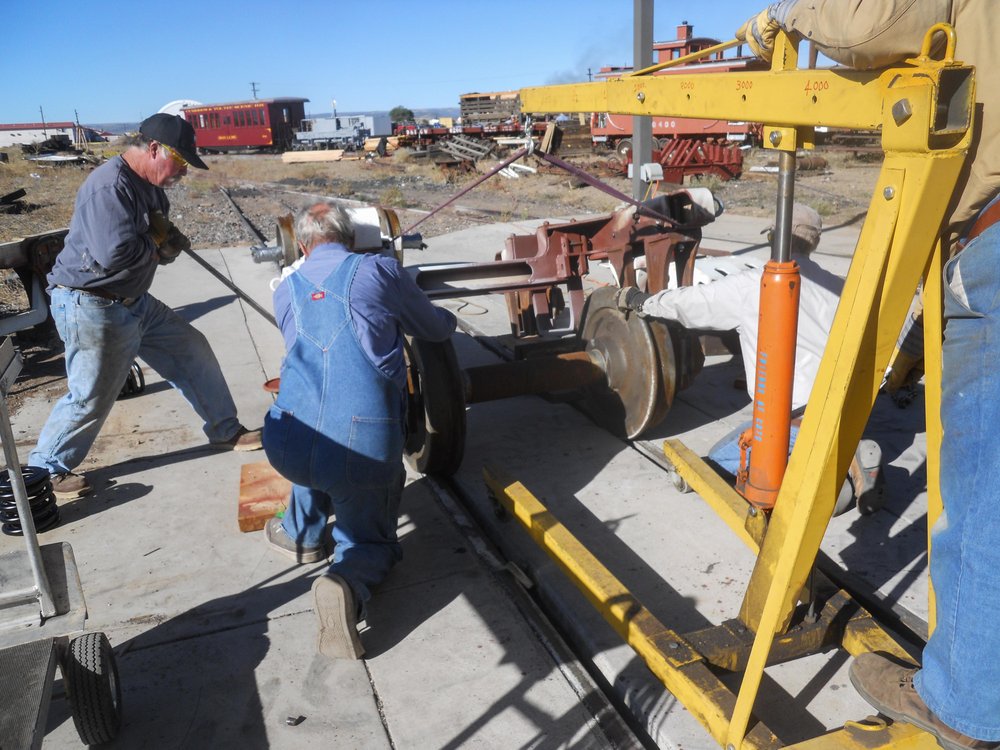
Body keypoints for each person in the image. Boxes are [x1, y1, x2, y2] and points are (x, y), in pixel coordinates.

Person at [735, 4, 1000, 748]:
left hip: (993, 238)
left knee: (986, 487)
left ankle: (967, 705)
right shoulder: (821, 278)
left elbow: (864, 20)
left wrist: (781, 16)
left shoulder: (742, 276)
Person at [28, 113, 262, 500]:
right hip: (92, 305)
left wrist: (166, 245)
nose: (183, 173)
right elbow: (114, 254)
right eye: (180, 162)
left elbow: (153, 238)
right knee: (90, 396)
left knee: (190, 348)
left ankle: (226, 430)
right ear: (153, 148)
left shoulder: (151, 188)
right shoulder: (109, 187)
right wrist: (157, 247)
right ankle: (43, 472)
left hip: (133, 301)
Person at [263, 201, 456, 659]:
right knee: (369, 535)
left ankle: (303, 534)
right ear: (351, 239)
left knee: (315, 454)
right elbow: (430, 329)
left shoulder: (285, 289)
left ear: (302, 245)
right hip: (359, 446)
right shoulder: (379, 270)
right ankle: (347, 582)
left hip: (285, 438)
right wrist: (447, 320)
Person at [616, 204, 882, 513]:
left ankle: (823, 488)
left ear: (773, 236)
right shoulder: (838, 286)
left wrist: (641, 301)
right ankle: (844, 455)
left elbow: (690, 304)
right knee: (773, 435)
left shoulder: (760, 284)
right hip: (846, 409)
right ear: (816, 243)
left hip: (791, 420)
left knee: (713, 467)